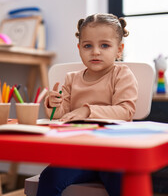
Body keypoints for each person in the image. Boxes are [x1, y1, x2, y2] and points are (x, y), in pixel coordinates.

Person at [37, 13, 138, 196]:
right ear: (79, 48)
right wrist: (53, 105)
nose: (95, 51)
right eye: (88, 46)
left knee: (124, 185)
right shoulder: (71, 78)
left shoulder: (122, 74)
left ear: (119, 49)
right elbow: (61, 116)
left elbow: (125, 111)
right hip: (78, 154)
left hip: (113, 154)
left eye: (105, 45)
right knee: (48, 179)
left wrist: (86, 110)